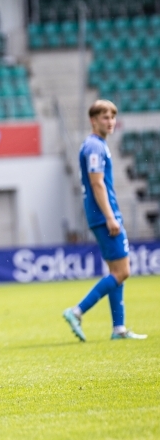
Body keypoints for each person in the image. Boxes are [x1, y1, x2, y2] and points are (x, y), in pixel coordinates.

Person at [62, 100, 147, 341]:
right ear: (93, 120)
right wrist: (111, 217)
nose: (109, 122)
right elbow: (97, 182)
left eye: (112, 117)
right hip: (104, 216)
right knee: (123, 271)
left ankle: (118, 329)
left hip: (99, 215)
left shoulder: (95, 145)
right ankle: (76, 311)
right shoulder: (94, 147)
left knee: (115, 272)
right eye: (104, 117)